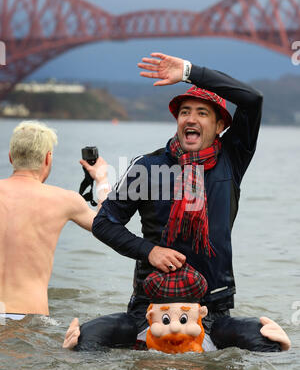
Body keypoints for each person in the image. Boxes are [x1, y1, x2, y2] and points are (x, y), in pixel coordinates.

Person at [62, 52, 291, 353]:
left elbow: (253, 99)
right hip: (150, 308)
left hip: (211, 310)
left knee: (271, 343)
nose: (191, 118)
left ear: (220, 124)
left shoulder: (232, 160)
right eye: (185, 112)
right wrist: (150, 251)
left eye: (202, 112)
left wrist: (188, 71)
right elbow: (104, 223)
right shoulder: (147, 167)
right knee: (81, 344)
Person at [0, 120, 110, 319]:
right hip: (28, 318)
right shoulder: (64, 199)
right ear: (48, 158)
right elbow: (107, 226)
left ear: (10, 157)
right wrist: (101, 180)